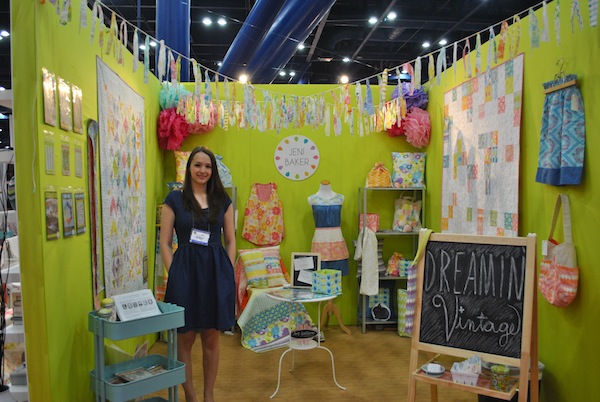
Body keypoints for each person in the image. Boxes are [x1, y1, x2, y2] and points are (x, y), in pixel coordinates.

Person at [160, 146, 236, 402]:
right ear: (189, 168)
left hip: (215, 273)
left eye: (207, 166)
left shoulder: (222, 200)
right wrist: (175, 273)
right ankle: (190, 395)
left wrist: (228, 269)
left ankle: (208, 396)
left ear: (213, 170)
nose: (202, 170)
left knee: (212, 337)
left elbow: (231, 240)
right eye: (198, 165)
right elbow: (165, 242)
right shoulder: (174, 199)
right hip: (185, 273)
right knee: (186, 337)